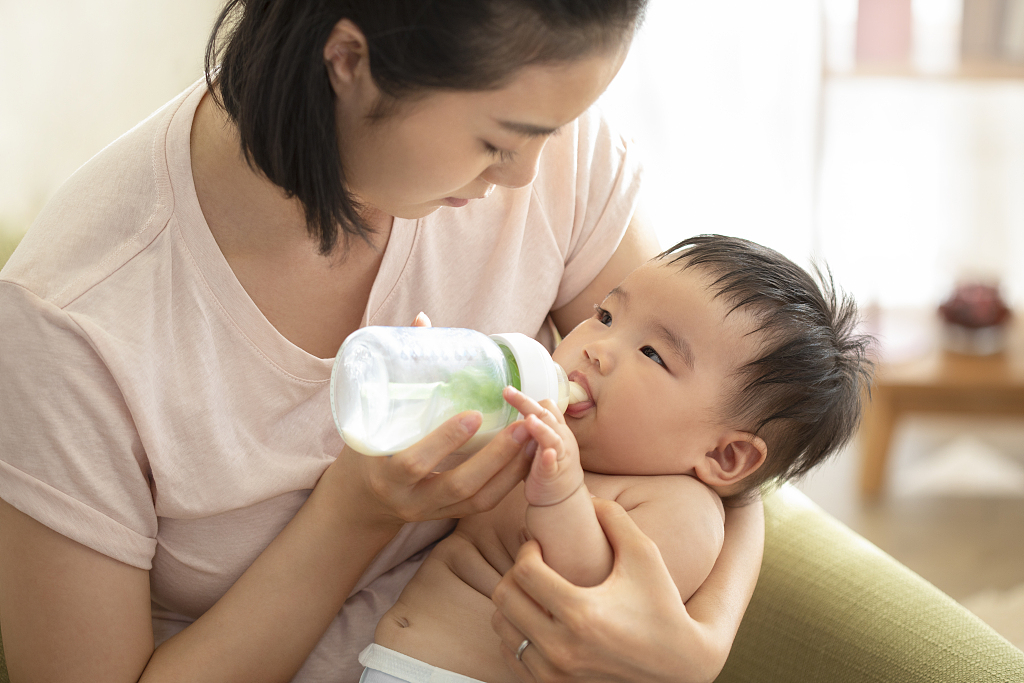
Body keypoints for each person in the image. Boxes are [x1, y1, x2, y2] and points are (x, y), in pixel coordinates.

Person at [0, 2, 764, 682]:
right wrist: (355, 512)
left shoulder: (558, 152)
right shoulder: (74, 322)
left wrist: (704, 638)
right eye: (501, 139)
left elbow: (737, 408)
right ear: (349, 60)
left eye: (550, 133)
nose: (526, 173)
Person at [358, 235, 874, 683]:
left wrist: (559, 491)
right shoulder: (550, 437)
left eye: (653, 354)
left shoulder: (683, 509)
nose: (596, 347)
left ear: (726, 454)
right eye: (605, 315)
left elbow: (595, 594)